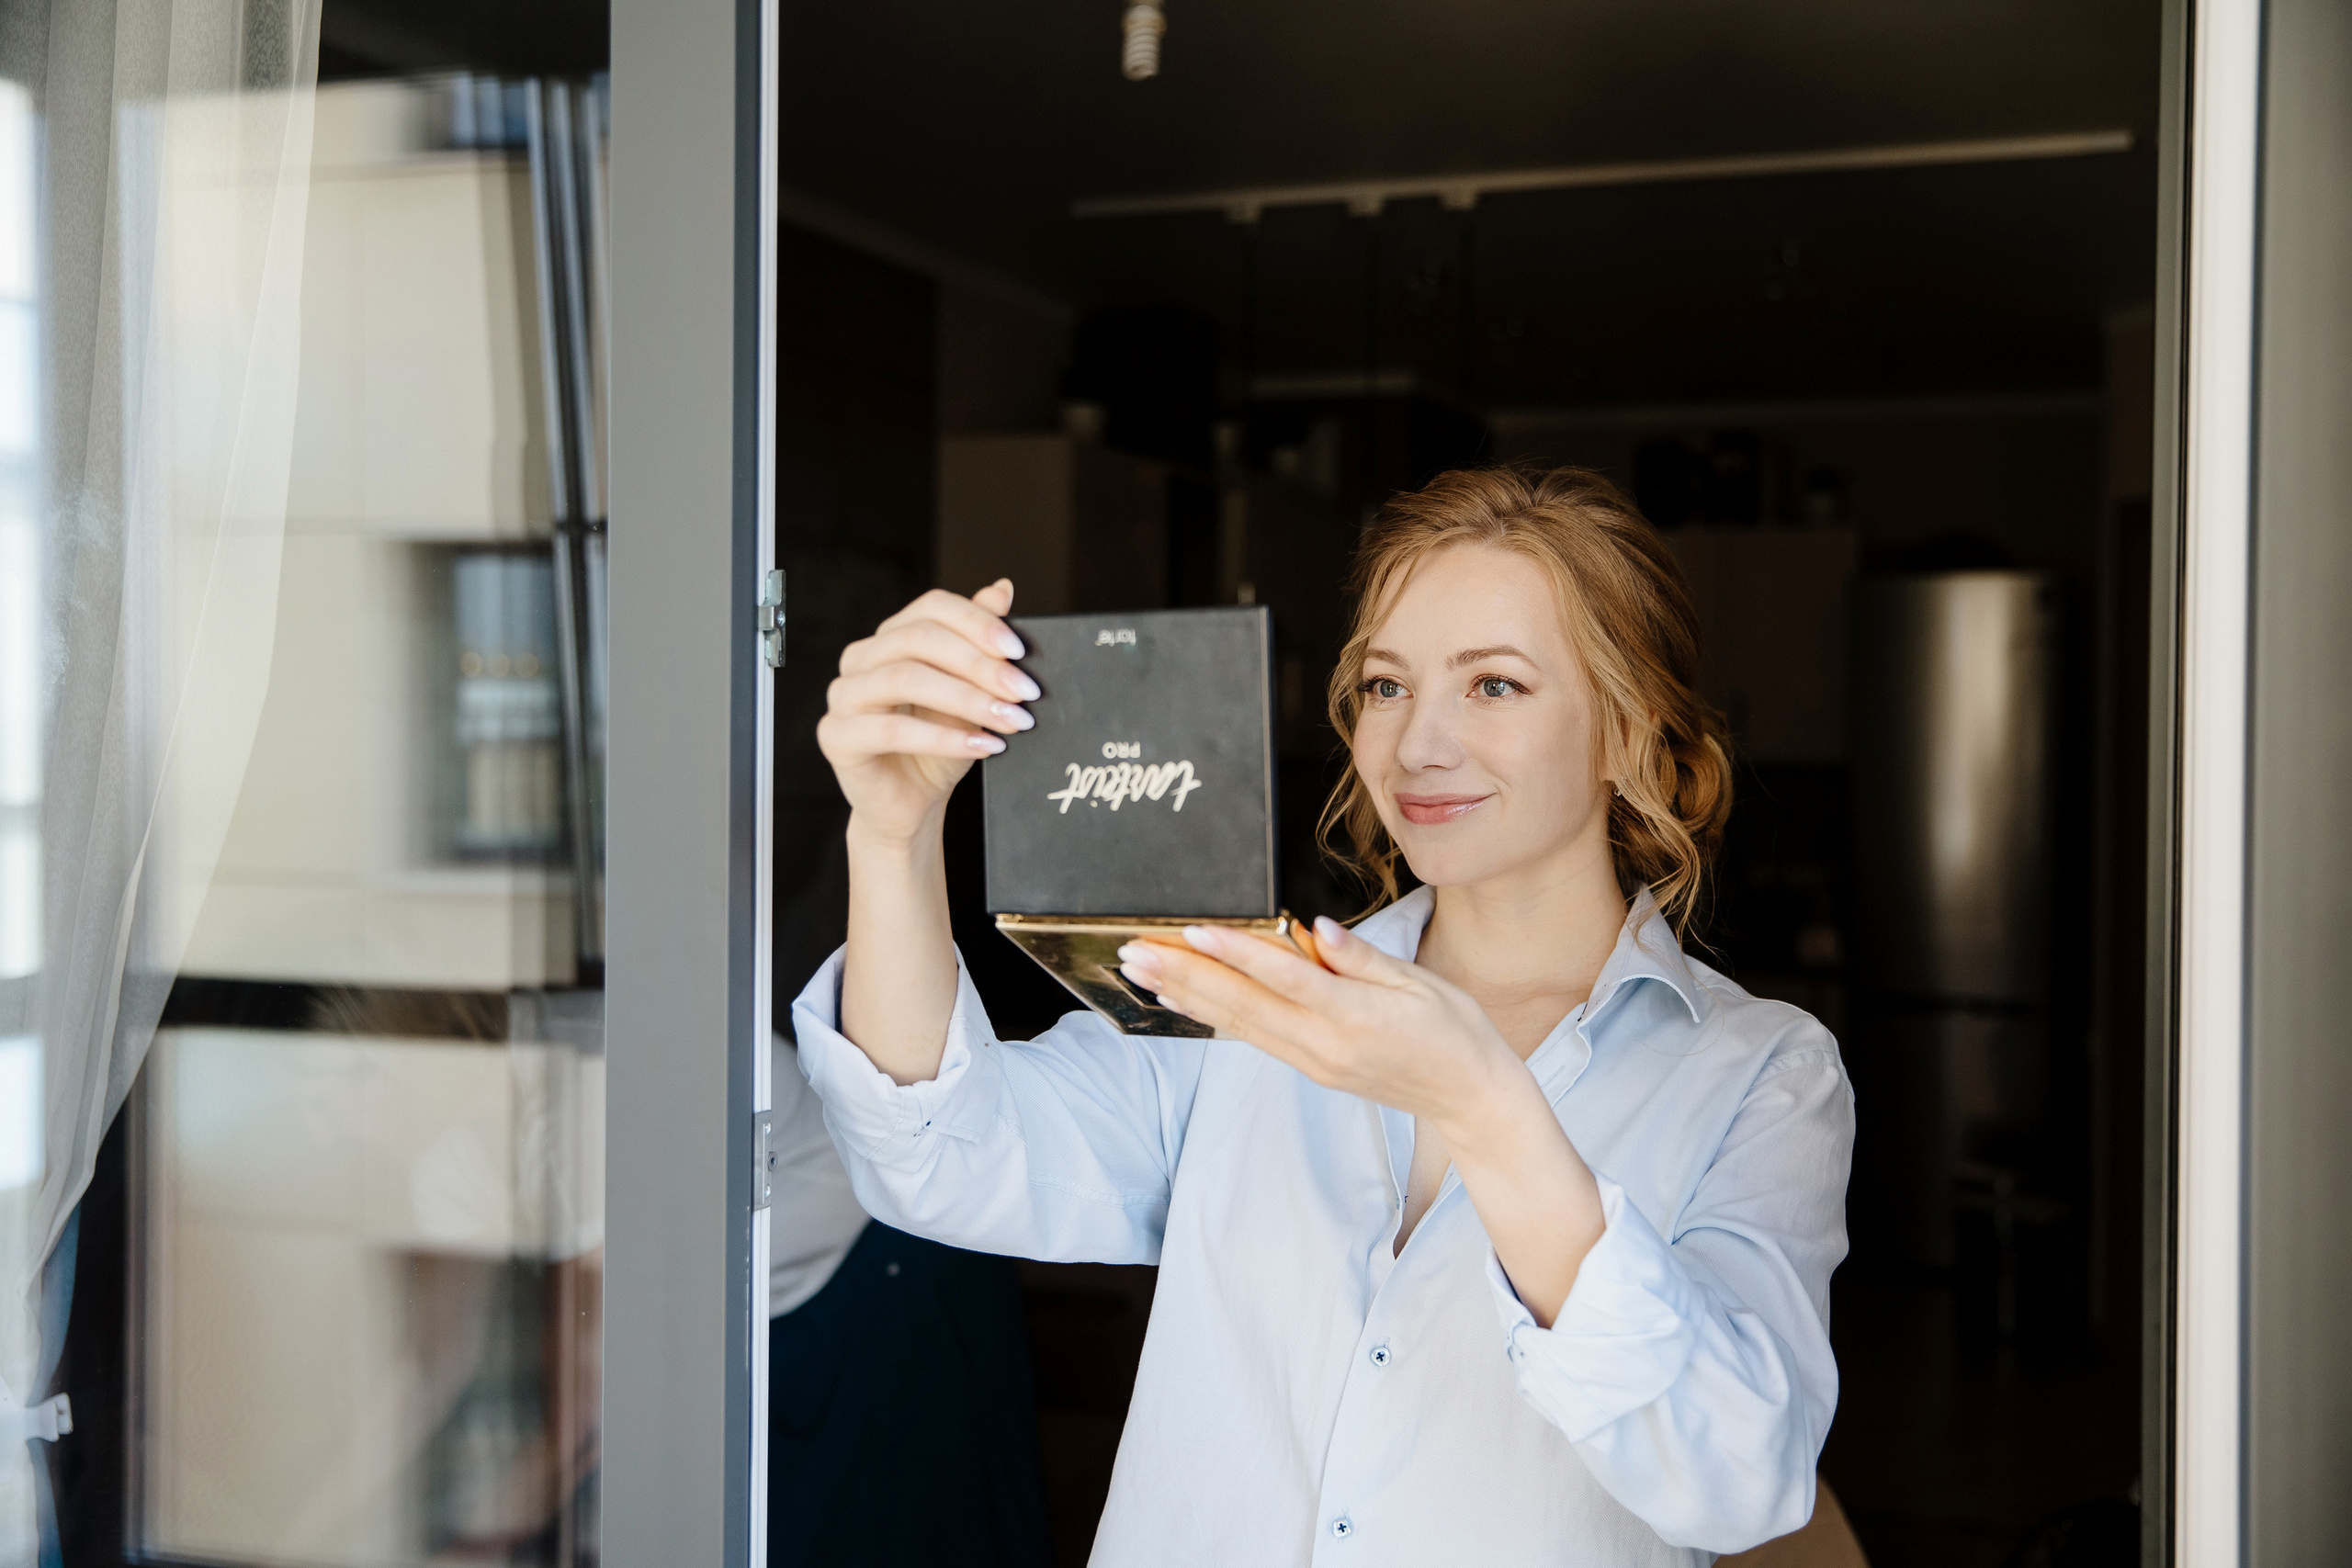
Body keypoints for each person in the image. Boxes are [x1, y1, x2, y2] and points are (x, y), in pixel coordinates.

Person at [796, 466, 1855, 1563]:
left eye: (1493, 685)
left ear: (1627, 729)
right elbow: (941, 1154)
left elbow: (1741, 1479)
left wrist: (1486, 1108)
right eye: (1386, 687)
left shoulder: (1761, 1075)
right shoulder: (1248, 996)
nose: (1418, 746)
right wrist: (892, 834)